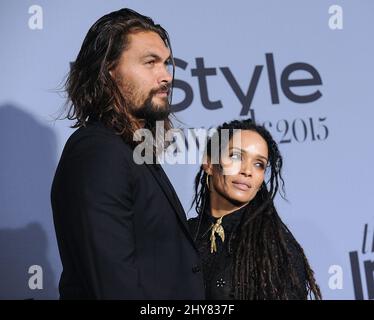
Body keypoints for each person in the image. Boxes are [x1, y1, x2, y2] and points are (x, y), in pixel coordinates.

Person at [51, 8, 204, 299]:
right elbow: (113, 286)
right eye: (150, 63)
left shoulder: (130, 150)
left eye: (167, 64)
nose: (167, 77)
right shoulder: (97, 153)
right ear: (109, 71)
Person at [188, 119, 322, 300]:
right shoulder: (184, 235)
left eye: (259, 164)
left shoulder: (275, 249)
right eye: (236, 156)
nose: (247, 171)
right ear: (209, 163)